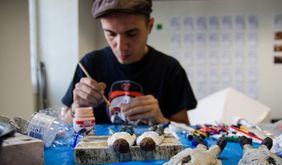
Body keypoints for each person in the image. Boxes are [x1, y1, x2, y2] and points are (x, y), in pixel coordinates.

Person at [62, 0, 197, 125]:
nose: (121, 47)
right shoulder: (89, 65)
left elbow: (185, 132)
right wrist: (77, 107)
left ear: (149, 27)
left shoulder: (170, 69)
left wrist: (160, 120)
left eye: (131, 34)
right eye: (111, 34)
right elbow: (65, 125)